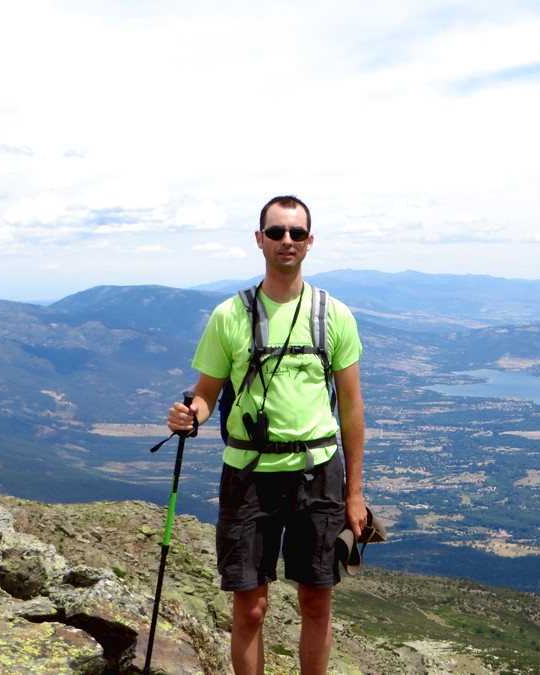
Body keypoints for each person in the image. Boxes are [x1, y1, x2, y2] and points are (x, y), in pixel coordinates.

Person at [167, 195, 367, 675]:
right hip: (248, 474)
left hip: (318, 474)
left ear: (310, 242)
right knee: (250, 608)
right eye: (276, 232)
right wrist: (189, 414)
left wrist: (354, 493)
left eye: (296, 233)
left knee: (317, 602)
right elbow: (206, 394)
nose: (286, 241)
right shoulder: (229, 316)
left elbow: (353, 408)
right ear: (259, 240)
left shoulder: (333, 314)